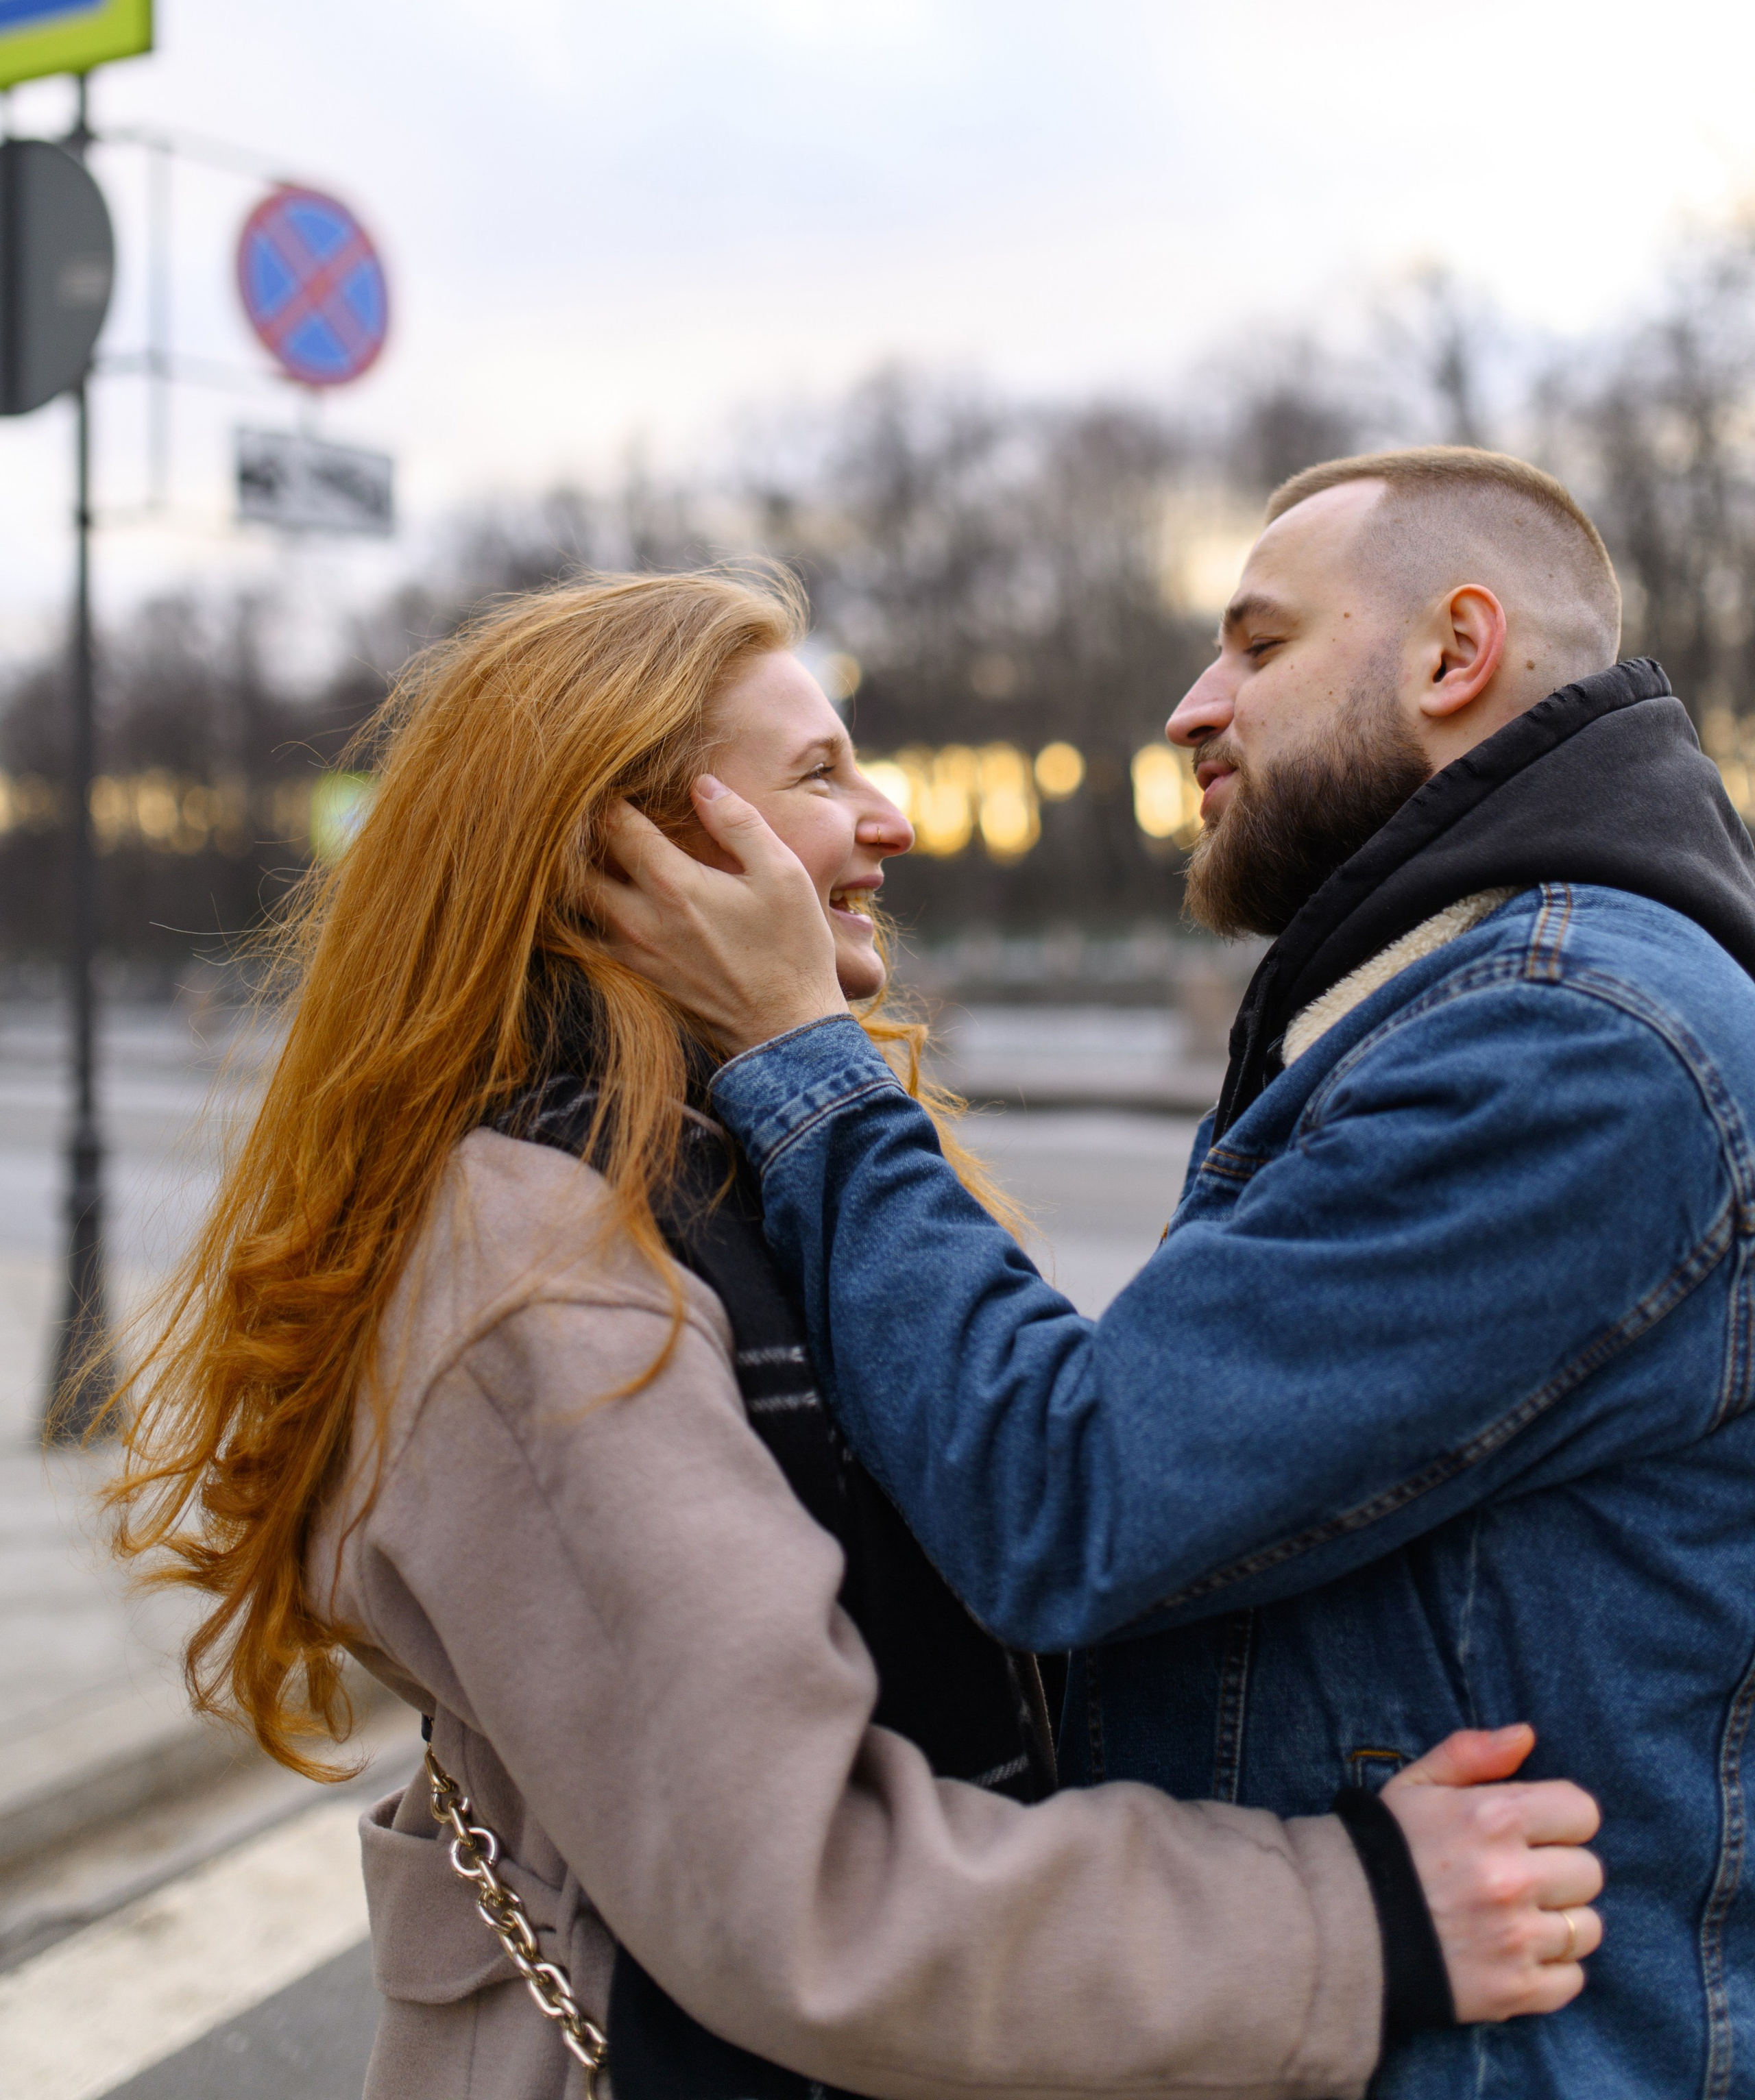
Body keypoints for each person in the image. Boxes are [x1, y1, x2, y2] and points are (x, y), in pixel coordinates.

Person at [106, 564, 1599, 2100]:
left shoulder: (730, 1170)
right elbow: (804, 1891)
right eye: (818, 773)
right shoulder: (540, 1262)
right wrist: (1345, 1911)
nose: (889, 819)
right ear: (633, 850)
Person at [590, 450, 1755, 2098]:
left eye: (1258, 646)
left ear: (1451, 653)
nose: (1191, 706)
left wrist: (799, 1053)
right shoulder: (1463, 990)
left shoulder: (1567, 1042)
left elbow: (1065, 1499)